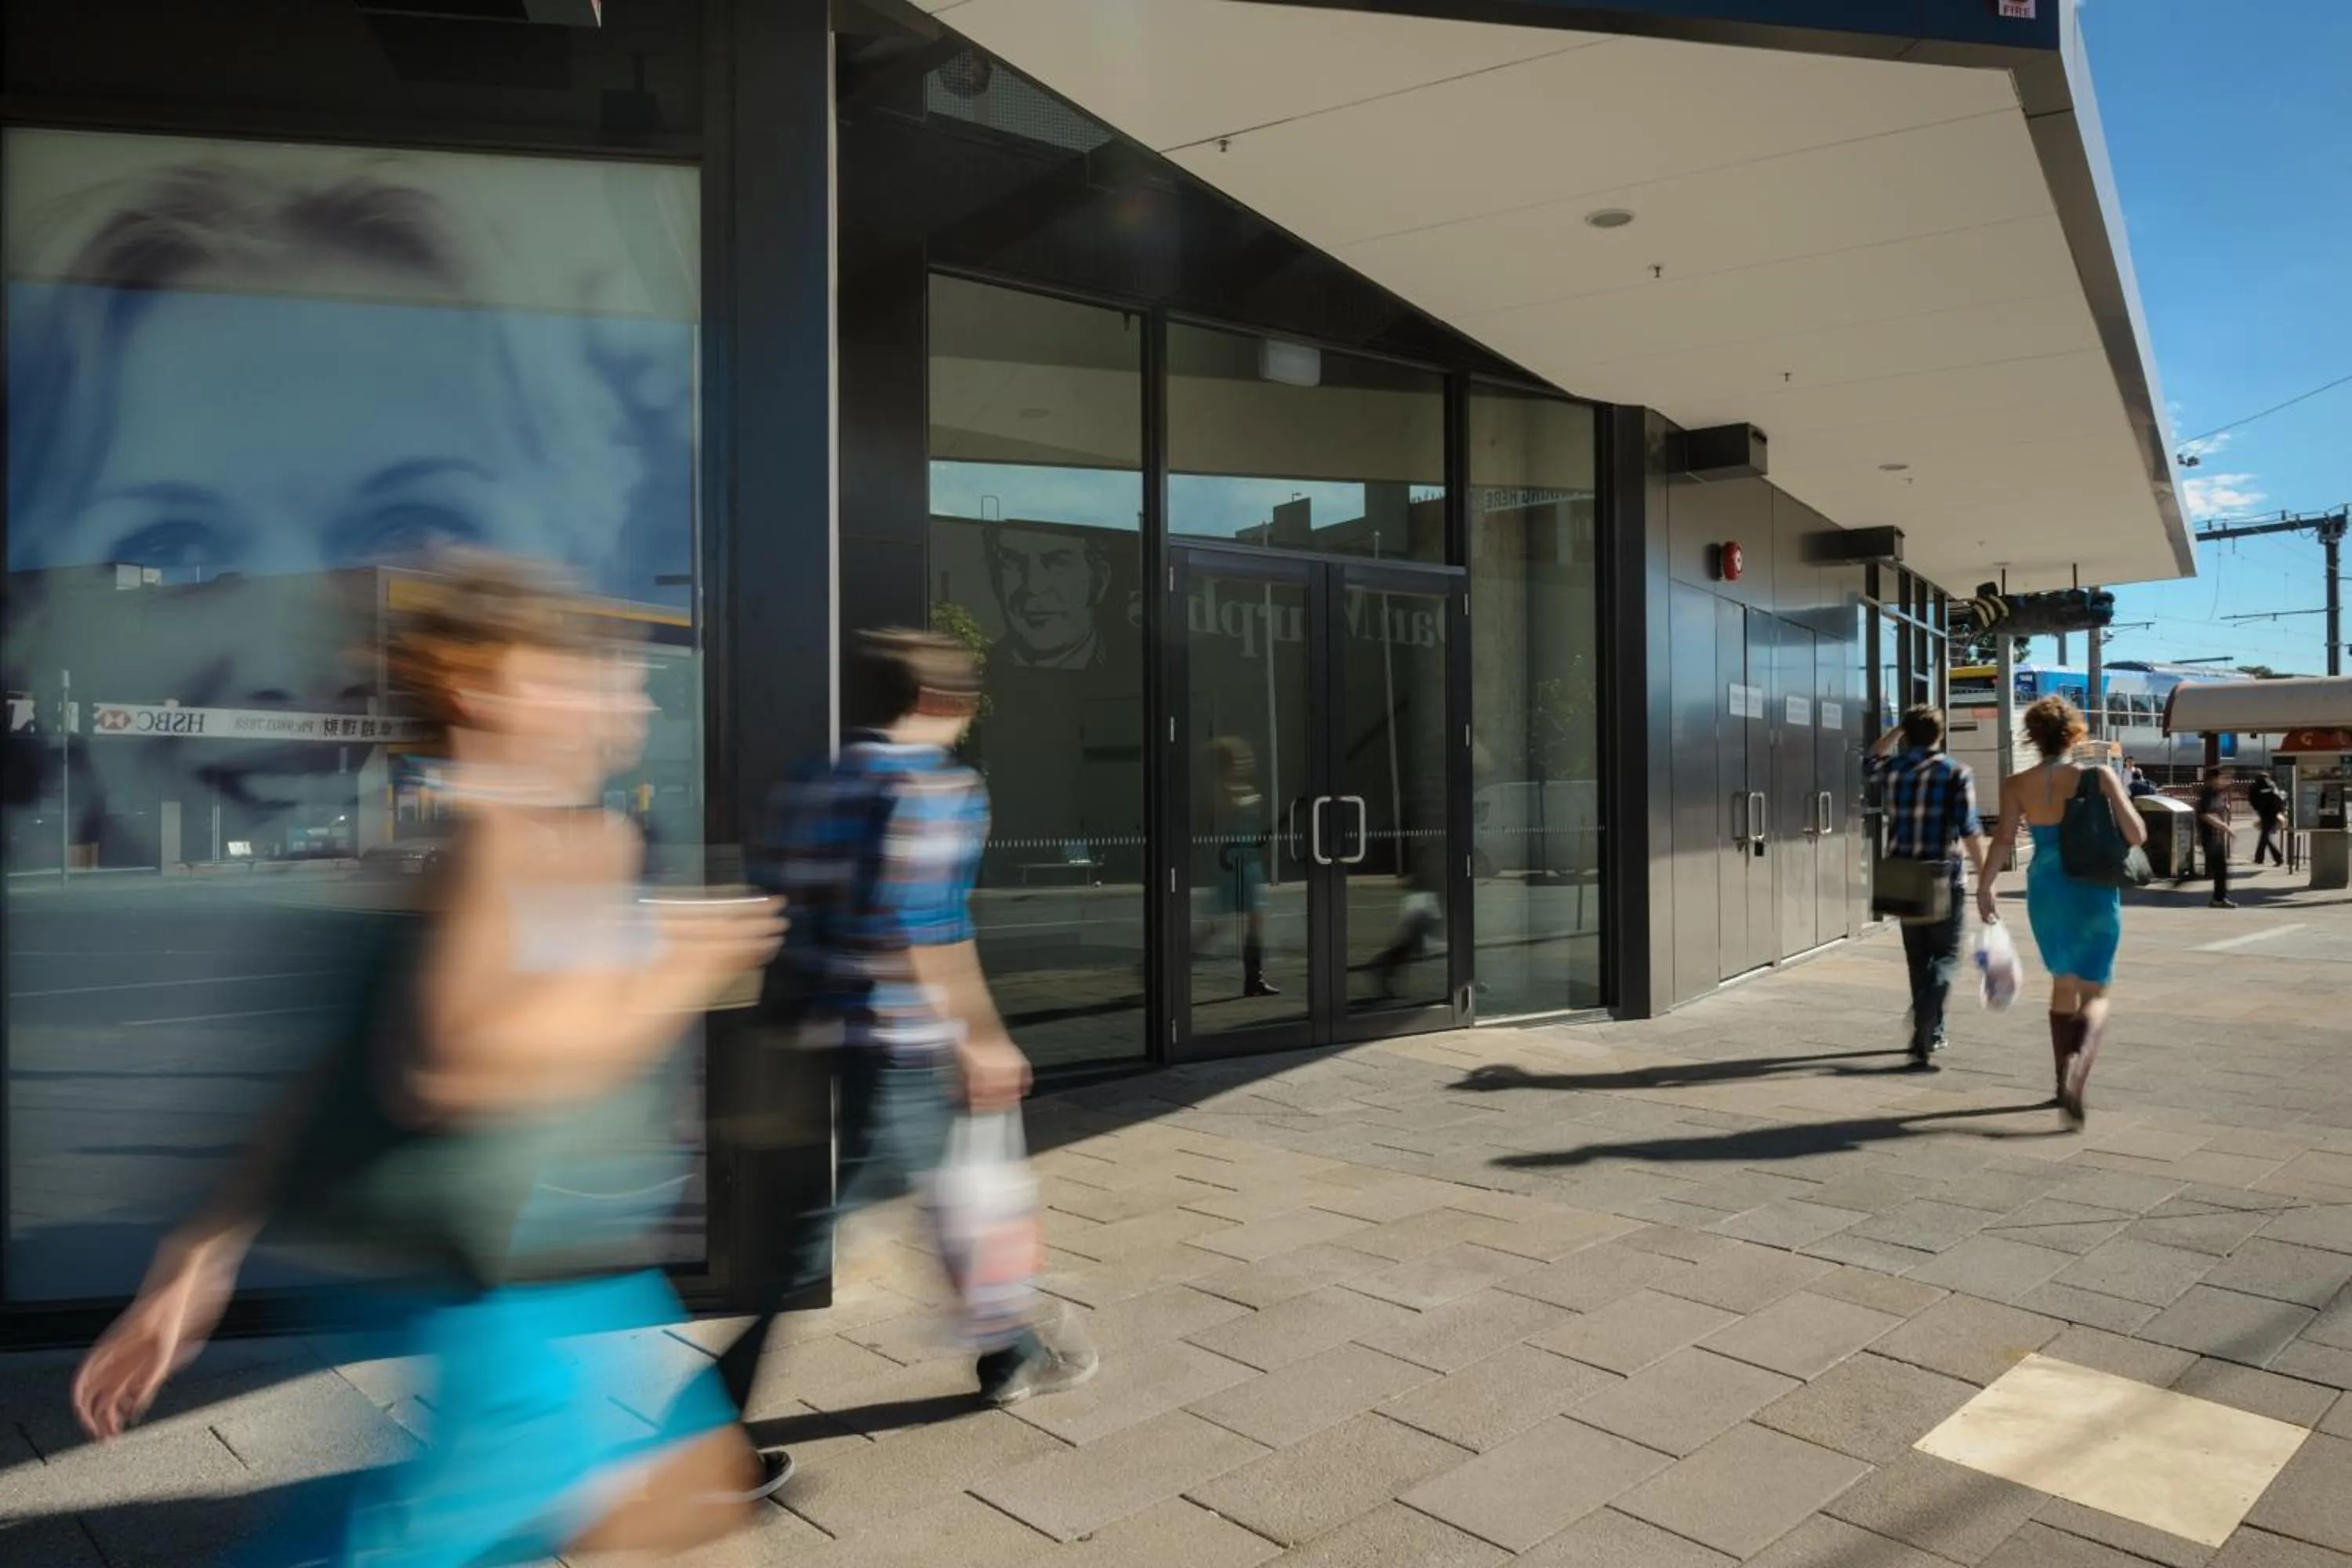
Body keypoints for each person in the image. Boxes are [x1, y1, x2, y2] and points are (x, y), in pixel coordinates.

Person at [69, 553, 786, 1563]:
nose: (618, 698)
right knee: (429, 1534)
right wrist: (673, 975)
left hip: (560, 1259)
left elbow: (352, 1058)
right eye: (577, 674)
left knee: (679, 1493)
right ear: (480, 688)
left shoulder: (570, 836)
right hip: (496, 1276)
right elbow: (442, 1070)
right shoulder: (492, 841)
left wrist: (201, 1248)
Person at [712, 630, 1094, 1471]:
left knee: (954, 1192)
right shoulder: (932, 788)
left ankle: (1010, 1348)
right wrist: (983, 1039)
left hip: (811, 1032)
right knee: (841, 1220)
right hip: (899, 1043)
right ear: (939, 703)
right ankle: (704, 1423)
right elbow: (923, 931)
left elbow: (775, 905)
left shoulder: (808, 780)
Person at [1980, 695, 2148, 1124]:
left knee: (2062, 982)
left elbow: (2003, 841)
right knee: (2096, 991)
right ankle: (2077, 1070)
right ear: (2073, 733)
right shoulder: (2098, 775)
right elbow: (2136, 835)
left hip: (2046, 888)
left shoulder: (2016, 784)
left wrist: (1986, 885)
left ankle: (2060, 1081)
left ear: (2032, 737)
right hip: (2092, 887)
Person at [1866, 706, 1990, 1066]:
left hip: (1903, 875)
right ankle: (1926, 1017)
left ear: (1907, 735)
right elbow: (1969, 829)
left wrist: (1897, 732)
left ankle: (1932, 1029)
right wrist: (1986, 879)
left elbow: (1869, 760)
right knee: (1946, 956)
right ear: (1941, 734)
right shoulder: (1955, 772)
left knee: (1918, 958)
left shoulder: (1896, 769)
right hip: (1943, 876)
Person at [1194, 735, 1279, 999]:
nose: (1244, 764)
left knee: (1254, 918)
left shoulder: (1241, 788)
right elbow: (1225, 811)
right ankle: (1172, 963)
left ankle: (1255, 978)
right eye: (1238, 760)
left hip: (1248, 858)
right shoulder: (1221, 789)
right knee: (1220, 922)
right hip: (1232, 861)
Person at [2190, 764, 2238, 908]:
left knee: (2220, 869)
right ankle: (2218, 899)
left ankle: (2219, 898)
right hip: (2209, 836)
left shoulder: (2217, 793)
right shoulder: (2208, 793)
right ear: (2214, 778)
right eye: (2222, 777)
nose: (2225, 780)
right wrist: (2224, 827)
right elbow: (2205, 815)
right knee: (2220, 869)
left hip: (2216, 836)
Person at [2248, 770, 2288, 867]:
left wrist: (2259, 809)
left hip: (2265, 813)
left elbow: (2253, 799)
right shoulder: (2272, 785)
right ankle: (2269, 858)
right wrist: (2281, 810)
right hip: (2272, 813)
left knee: (2265, 836)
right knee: (2265, 836)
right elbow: (2279, 798)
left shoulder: (2257, 785)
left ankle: (2264, 858)